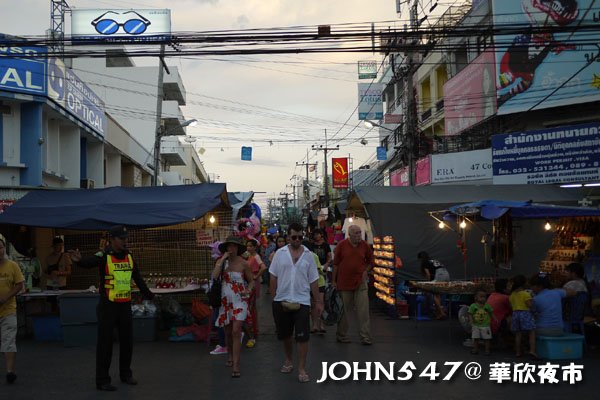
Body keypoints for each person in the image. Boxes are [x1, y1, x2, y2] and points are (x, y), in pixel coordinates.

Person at [69, 225, 154, 391]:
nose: (125, 241)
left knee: (127, 342)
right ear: (112, 239)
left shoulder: (129, 256)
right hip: (108, 306)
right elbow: (89, 262)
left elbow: (137, 278)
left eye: (126, 238)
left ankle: (126, 374)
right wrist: (79, 260)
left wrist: (149, 295)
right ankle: (102, 380)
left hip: (124, 305)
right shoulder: (104, 255)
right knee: (105, 344)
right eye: (122, 239)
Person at [269, 223, 322, 383]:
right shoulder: (280, 254)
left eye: (300, 237)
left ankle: (301, 368)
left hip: (302, 301)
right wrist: (274, 298)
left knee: (302, 336)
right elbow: (273, 276)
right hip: (282, 299)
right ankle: (288, 359)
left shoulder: (308, 255)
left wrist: (318, 301)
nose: (297, 240)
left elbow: (314, 280)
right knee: (285, 335)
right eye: (294, 237)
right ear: (288, 237)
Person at [213, 236, 254, 378]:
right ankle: (230, 354)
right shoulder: (221, 262)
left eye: (234, 246)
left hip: (240, 300)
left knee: (236, 331)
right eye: (229, 246)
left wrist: (248, 290)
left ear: (238, 248)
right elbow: (214, 276)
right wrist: (222, 259)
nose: (232, 249)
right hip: (226, 301)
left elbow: (251, 281)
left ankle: (236, 364)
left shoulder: (244, 263)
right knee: (228, 332)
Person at [332, 225, 374, 345]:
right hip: (344, 282)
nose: (358, 235)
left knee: (363, 311)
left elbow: (371, 260)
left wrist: (367, 270)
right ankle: (341, 335)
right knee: (344, 311)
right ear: (349, 234)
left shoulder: (364, 245)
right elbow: (336, 264)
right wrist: (334, 281)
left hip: (360, 282)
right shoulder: (342, 245)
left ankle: (365, 336)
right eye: (356, 233)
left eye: (359, 233)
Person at [0, 238, 25, 384]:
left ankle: (10, 371)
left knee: (8, 341)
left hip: (8, 310)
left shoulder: (12, 266)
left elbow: (19, 284)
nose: (0, 251)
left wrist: (6, 297)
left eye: (1, 248)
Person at [244, 238, 266, 348]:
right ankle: (253, 329)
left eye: (250, 246)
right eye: (247, 246)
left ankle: (254, 331)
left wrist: (256, 276)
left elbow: (263, 267)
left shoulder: (256, 256)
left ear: (255, 247)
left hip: (253, 283)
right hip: (249, 282)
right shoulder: (248, 256)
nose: (248, 248)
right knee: (252, 308)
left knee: (251, 307)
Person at [509, 275, 536, 357]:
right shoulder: (526, 294)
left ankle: (518, 352)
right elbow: (529, 305)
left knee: (518, 334)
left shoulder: (512, 295)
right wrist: (532, 301)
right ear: (524, 284)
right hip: (525, 314)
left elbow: (511, 306)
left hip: (515, 314)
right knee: (531, 332)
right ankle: (532, 350)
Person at [417, 251, 449, 319]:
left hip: (440, 275)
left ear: (421, 258)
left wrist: (428, 283)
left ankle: (442, 313)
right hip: (446, 274)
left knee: (434, 295)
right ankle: (439, 314)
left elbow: (428, 274)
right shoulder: (433, 261)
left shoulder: (425, 263)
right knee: (438, 295)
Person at [468, 290, 494, 355]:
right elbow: (470, 314)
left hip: (486, 325)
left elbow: (491, 313)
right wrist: (471, 321)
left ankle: (487, 350)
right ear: (476, 298)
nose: (483, 298)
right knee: (475, 338)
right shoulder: (473, 306)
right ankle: (475, 349)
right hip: (475, 325)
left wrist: (494, 318)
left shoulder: (487, 306)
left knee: (487, 339)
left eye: (484, 297)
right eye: (481, 296)